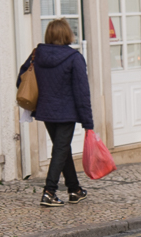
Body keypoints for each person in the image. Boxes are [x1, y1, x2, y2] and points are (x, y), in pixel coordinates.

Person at [17, 19, 93, 207]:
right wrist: (88, 122)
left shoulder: (37, 54)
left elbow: (22, 78)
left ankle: (74, 190)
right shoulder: (74, 57)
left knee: (62, 148)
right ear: (67, 34)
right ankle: (49, 191)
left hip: (46, 110)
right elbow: (82, 92)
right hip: (67, 112)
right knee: (60, 149)